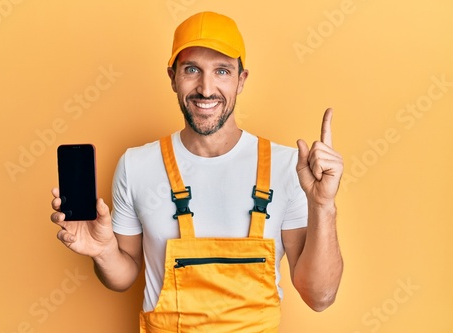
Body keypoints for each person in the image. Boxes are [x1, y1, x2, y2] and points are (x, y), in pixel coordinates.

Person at [51, 11, 343, 332]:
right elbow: (124, 277)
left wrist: (323, 206)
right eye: (192, 70)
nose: (206, 88)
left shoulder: (288, 167)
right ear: (172, 77)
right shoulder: (136, 165)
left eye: (222, 71)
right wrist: (104, 252)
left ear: (241, 80)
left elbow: (320, 297)